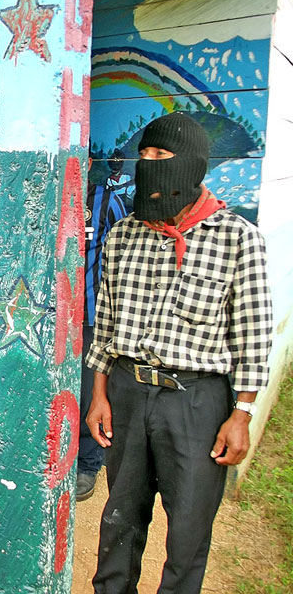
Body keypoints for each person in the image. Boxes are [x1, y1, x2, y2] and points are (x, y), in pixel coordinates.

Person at [85, 112, 273, 593]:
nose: (148, 165)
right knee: (119, 517)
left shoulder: (238, 238)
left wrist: (242, 414)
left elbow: (253, 335)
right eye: (143, 155)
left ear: (191, 166)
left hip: (196, 402)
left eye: (160, 156)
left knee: (188, 530)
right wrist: (100, 393)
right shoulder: (124, 235)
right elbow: (105, 320)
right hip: (127, 390)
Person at [76, 161, 127, 501]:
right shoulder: (47, 201)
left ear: (88, 162)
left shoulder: (107, 201)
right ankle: (56, 455)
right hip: (53, 317)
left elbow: (126, 256)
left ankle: (87, 464)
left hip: (93, 317)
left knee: (88, 393)